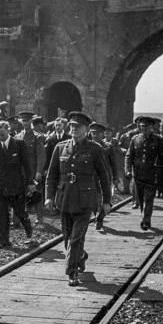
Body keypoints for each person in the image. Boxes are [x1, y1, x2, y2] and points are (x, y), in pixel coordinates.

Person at [45, 112, 111, 286]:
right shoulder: (61, 147)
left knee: (76, 238)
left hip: (85, 200)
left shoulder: (95, 149)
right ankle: (80, 255)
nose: (74, 129)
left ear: (86, 129)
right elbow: (52, 175)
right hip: (65, 198)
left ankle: (72, 272)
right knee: (67, 238)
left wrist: (106, 201)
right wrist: (48, 197)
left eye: (78, 127)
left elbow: (104, 176)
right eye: (72, 126)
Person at [0, 120, 34, 248]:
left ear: (8, 131)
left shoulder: (19, 144)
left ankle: (29, 233)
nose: (0, 137)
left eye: (2, 134)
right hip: (0, 186)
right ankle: (2, 241)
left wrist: (30, 183)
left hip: (16, 186)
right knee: (1, 214)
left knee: (20, 211)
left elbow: (27, 165)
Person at [125, 116, 163, 230]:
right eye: (141, 126)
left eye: (146, 126)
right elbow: (129, 156)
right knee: (139, 197)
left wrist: (162, 173)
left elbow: (162, 158)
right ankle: (144, 215)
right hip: (138, 173)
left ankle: (146, 219)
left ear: (151, 127)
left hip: (151, 173)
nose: (143, 128)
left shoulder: (158, 139)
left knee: (149, 198)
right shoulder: (135, 139)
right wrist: (128, 170)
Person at [17, 111, 46, 223]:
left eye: (27, 121)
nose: (25, 123)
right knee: (20, 193)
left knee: (36, 192)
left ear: (31, 122)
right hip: (21, 170)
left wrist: (39, 171)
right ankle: (19, 217)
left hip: (33, 170)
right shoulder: (18, 136)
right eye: (23, 121)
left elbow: (41, 156)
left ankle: (40, 217)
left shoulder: (37, 137)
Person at [89, 122, 116, 231]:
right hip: (92, 177)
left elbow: (113, 163)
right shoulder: (88, 146)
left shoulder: (108, 147)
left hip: (105, 176)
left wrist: (115, 177)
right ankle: (97, 216)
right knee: (95, 199)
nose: (95, 136)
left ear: (103, 134)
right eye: (93, 133)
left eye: (97, 134)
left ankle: (99, 218)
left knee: (105, 198)